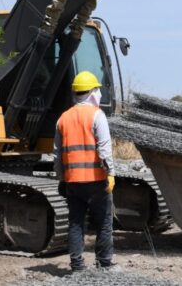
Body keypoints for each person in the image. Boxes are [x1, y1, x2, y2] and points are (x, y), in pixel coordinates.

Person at [54, 71, 116, 271]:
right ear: (91, 92)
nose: (99, 93)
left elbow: (57, 155)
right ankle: (104, 264)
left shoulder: (63, 118)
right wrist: (111, 174)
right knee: (104, 223)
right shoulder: (97, 115)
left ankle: (77, 266)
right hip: (97, 181)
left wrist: (62, 180)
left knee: (76, 223)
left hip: (73, 183)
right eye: (97, 89)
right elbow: (105, 150)